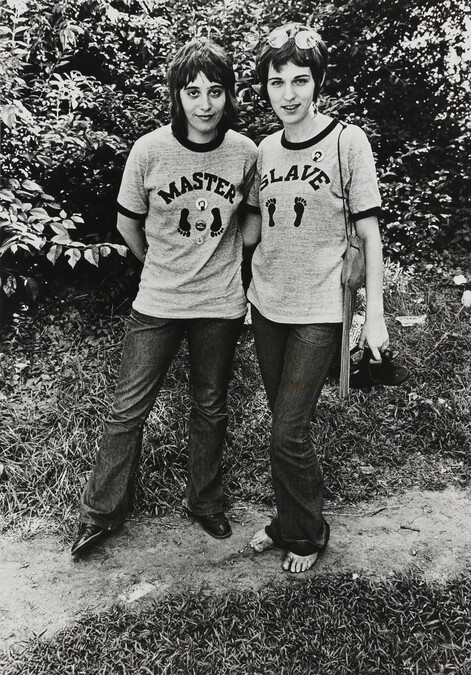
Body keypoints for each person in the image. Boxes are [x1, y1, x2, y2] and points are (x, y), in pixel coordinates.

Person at [71, 37, 259, 556]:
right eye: (192, 91)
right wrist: (160, 260)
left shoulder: (245, 152)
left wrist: (224, 253)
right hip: (157, 301)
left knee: (211, 406)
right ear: (176, 96)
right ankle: (102, 513)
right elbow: (127, 222)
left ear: (228, 96)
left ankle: (206, 502)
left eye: (215, 91)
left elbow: (251, 220)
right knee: (128, 409)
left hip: (220, 304)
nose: (204, 104)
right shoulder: (150, 150)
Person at [247, 23, 389, 573]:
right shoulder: (264, 149)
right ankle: (287, 521)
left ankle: (308, 532)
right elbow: (258, 230)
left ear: (318, 83)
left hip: (320, 310)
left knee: (289, 430)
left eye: (300, 80)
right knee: (281, 423)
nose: (288, 93)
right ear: (265, 87)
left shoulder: (347, 141)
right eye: (276, 81)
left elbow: (371, 235)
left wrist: (374, 319)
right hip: (267, 304)